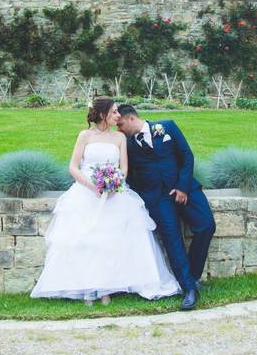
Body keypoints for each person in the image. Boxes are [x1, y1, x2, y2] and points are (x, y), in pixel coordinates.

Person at [30, 96, 180, 305]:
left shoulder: (119, 139)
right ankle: (92, 288)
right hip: (86, 192)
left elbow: (124, 168)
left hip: (114, 193)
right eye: (115, 112)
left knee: (116, 239)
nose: (118, 116)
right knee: (89, 240)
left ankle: (113, 286)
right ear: (103, 114)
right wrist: (93, 187)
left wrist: (115, 184)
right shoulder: (85, 135)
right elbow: (73, 167)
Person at [117, 104, 216, 311]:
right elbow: (130, 176)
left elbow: (187, 156)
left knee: (206, 225)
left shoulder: (167, 127)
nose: (119, 129)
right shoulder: (126, 145)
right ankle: (189, 288)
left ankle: (193, 275)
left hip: (186, 188)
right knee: (172, 240)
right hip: (157, 198)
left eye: (120, 125)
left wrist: (182, 187)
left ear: (131, 119)